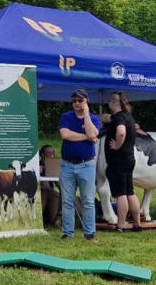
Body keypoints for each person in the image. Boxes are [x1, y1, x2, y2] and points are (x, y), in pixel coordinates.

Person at [59, 88, 101, 241]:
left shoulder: (94, 118)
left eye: (80, 100)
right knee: (67, 200)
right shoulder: (66, 116)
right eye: (74, 101)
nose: (77, 103)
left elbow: (93, 133)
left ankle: (89, 233)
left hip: (86, 165)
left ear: (86, 101)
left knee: (88, 200)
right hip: (67, 165)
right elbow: (65, 135)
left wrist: (86, 115)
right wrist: (87, 137)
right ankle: (67, 233)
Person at [105, 91, 143, 232]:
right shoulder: (128, 117)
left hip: (118, 160)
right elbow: (107, 118)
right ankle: (137, 224)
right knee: (130, 192)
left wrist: (117, 145)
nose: (108, 104)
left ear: (114, 103)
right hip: (129, 158)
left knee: (120, 194)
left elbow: (121, 132)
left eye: (109, 101)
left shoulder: (119, 118)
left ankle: (121, 225)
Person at [38, 144, 62, 226]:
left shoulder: (53, 165)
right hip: (40, 192)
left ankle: (54, 219)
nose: (52, 155)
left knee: (55, 195)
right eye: (49, 153)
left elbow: (59, 184)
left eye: (53, 152)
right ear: (42, 155)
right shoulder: (38, 165)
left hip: (50, 192)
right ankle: (41, 219)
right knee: (46, 192)